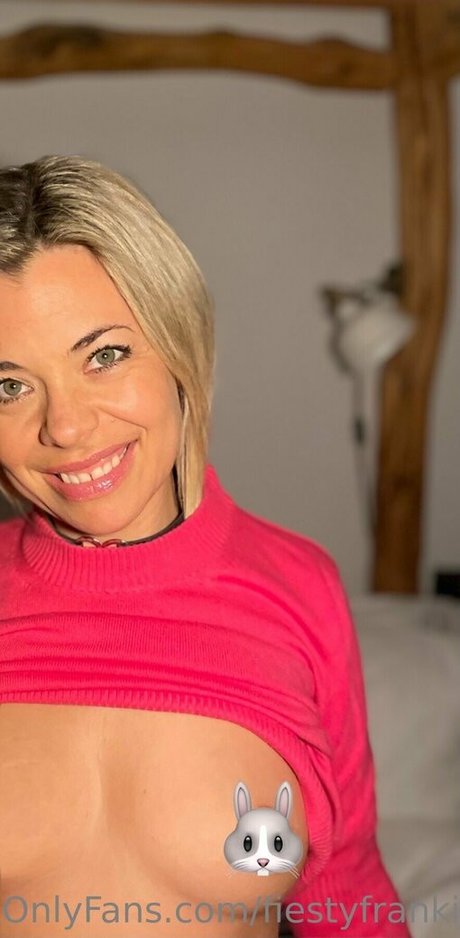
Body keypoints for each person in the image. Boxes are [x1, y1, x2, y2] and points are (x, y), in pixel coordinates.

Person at [0, 155, 411, 938]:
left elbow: (346, 888)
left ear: (178, 344)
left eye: (104, 355)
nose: (66, 427)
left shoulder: (299, 588)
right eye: (9, 385)